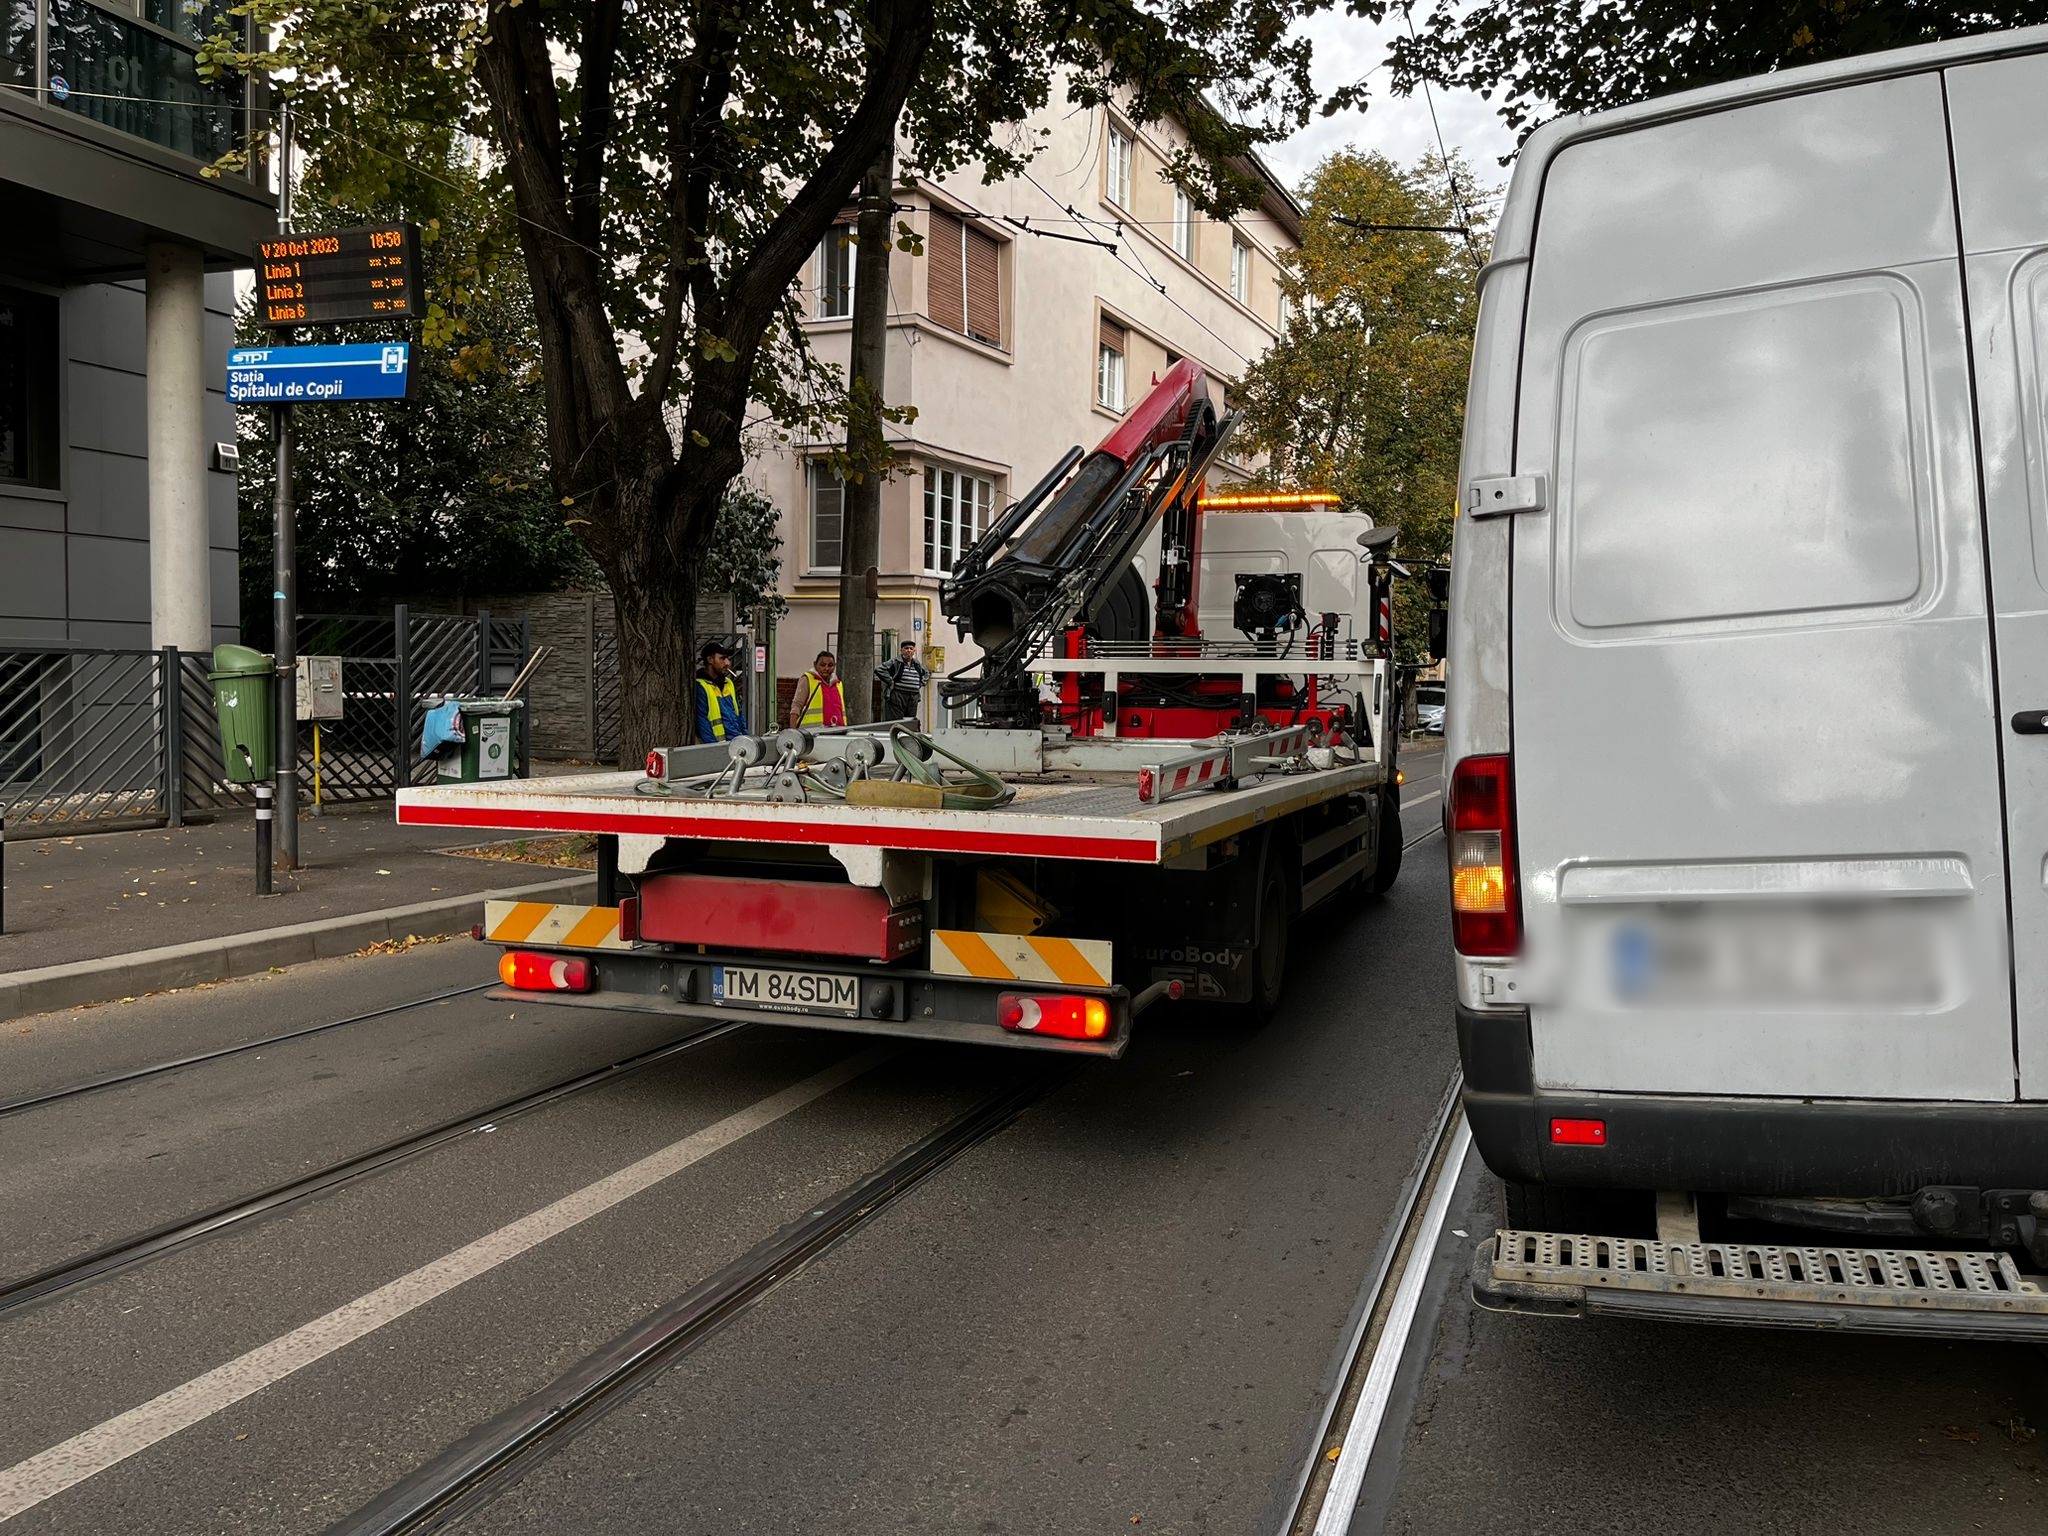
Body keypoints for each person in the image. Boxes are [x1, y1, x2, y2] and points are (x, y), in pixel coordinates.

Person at [693, 638, 748, 743]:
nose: (727, 663)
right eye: (722, 658)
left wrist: (745, 738)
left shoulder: (728, 683)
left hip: (736, 742)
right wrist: (713, 747)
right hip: (718, 745)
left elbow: (739, 714)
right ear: (710, 659)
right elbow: (701, 721)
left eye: (728, 658)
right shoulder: (701, 686)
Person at [876, 639, 928, 724]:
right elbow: (879, 669)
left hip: (913, 696)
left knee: (910, 721)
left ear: (914, 651)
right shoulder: (896, 661)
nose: (909, 650)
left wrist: (922, 682)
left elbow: (926, 673)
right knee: (897, 721)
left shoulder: (917, 664)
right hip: (898, 695)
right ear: (901, 650)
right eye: (906, 648)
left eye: (911, 648)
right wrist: (890, 681)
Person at [789, 650, 846, 729]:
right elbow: (797, 705)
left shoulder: (838, 684)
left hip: (836, 731)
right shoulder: (807, 680)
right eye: (822, 665)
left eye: (830, 665)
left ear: (834, 666)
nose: (826, 668)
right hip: (811, 732)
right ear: (815, 664)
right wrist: (793, 730)